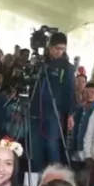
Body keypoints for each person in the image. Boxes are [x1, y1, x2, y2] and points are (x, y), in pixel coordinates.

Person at [28, 33, 75, 169]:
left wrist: (70, 114)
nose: (59, 52)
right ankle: (36, 180)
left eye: (62, 49)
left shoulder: (67, 67)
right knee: (35, 147)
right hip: (35, 110)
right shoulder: (39, 62)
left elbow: (69, 91)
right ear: (49, 47)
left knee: (52, 146)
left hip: (54, 112)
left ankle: (55, 179)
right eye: (57, 48)